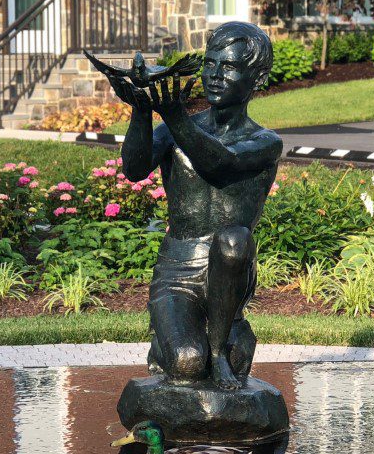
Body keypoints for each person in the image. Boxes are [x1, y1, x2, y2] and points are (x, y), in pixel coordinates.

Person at [109, 22, 283, 391]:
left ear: (259, 78)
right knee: (187, 363)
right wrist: (142, 110)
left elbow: (220, 162)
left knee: (234, 239)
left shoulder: (264, 141)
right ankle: (176, 344)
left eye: (230, 67)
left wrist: (174, 115)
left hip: (229, 272)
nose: (215, 76)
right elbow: (134, 169)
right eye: (210, 63)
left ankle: (221, 348)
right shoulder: (175, 132)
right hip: (178, 266)